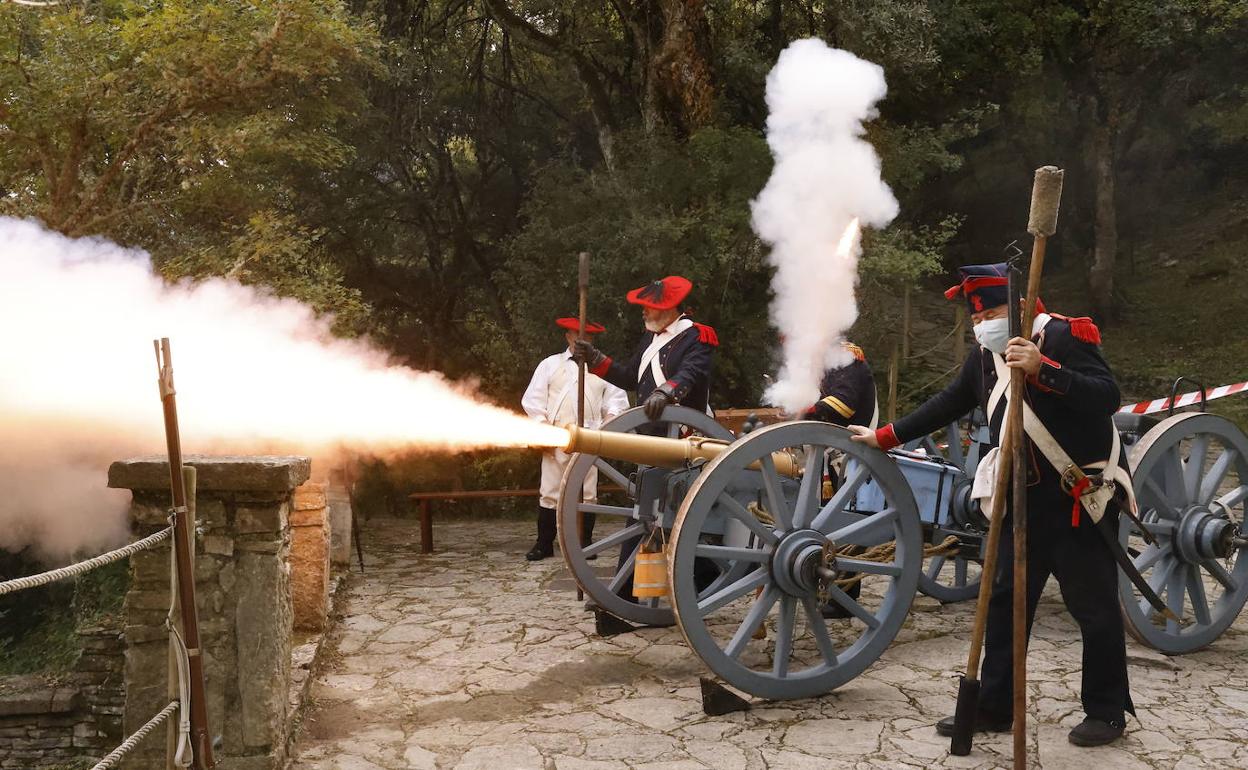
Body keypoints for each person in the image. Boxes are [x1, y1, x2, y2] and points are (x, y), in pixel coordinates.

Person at [849, 263, 1134, 747]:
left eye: (997, 312)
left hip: (1076, 499)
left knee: (1094, 608)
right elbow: (949, 403)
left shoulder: (1063, 337)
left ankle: (1107, 712)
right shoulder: (984, 358)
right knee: (1004, 606)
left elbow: (1106, 396)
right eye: (981, 316)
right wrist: (885, 435)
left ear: (1023, 308)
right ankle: (995, 706)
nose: (986, 323)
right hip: (1019, 502)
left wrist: (1045, 370)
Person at [521, 317, 629, 561]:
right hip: (555, 436)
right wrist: (543, 429)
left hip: (590, 437)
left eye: (588, 337)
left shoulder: (604, 368)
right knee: (549, 491)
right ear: (568, 336)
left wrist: (606, 427)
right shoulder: (549, 365)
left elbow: (617, 401)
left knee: (587, 493)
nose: (583, 340)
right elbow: (533, 401)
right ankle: (544, 544)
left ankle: (584, 543)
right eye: (578, 335)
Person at [574, 275, 717, 423]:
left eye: (649, 306)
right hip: (649, 429)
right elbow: (630, 378)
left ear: (668, 308)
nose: (644, 311)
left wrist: (664, 393)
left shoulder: (697, 336)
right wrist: (595, 359)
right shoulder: (651, 337)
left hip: (683, 431)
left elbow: (689, 373)